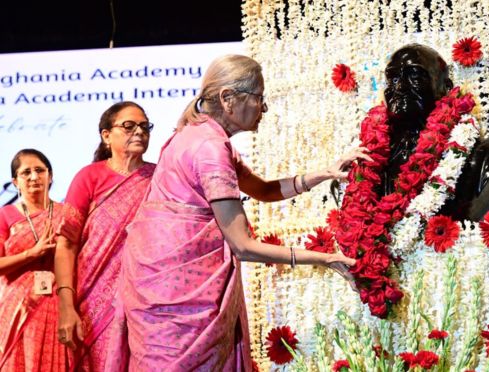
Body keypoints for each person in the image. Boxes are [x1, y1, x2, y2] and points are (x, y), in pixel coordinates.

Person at [120, 54, 364, 371]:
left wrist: (325, 174)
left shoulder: (197, 136)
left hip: (160, 291)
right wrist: (324, 258)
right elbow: (243, 246)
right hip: (181, 305)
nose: (264, 108)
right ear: (228, 98)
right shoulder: (209, 148)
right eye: (259, 98)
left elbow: (263, 190)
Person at [54, 101, 156, 371]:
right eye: (129, 126)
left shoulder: (160, 178)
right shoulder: (89, 177)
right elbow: (66, 245)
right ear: (106, 135)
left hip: (148, 303)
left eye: (145, 126)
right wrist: (66, 306)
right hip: (93, 305)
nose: (139, 132)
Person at [381, 43, 489, 220]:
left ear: (446, 88)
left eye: (415, 76)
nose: (399, 87)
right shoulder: (373, 160)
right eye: (393, 79)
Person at [0, 149, 67, 371]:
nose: (33, 177)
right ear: (15, 182)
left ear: (50, 175)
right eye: (25, 172)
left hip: (59, 305)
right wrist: (30, 254)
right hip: (17, 307)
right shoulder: (5, 216)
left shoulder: (68, 214)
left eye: (39, 170)